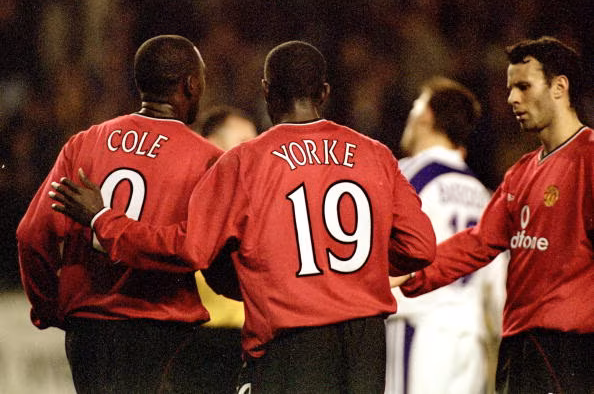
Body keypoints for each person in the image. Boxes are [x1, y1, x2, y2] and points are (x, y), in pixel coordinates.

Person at [49, 40, 437, 393]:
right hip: (367, 345)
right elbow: (420, 246)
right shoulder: (375, 154)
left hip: (291, 344)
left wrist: (104, 220)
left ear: (266, 90)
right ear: (324, 93)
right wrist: (357, 273)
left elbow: (190, 249)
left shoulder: (245, 162)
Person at [17, 34, 225, 393]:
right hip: (162, 328)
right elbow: (196, 248)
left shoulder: (86, 142)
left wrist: (50, 307)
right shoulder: (206, 159)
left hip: (89, 331)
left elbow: (32, 235)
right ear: (191, 84)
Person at [391, 36, 593, 394]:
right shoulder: (521, 173)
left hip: (568, 348)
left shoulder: (588, 161)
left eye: (524, 86)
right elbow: (479, 242)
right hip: (519, 347)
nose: (512, 98)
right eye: (510, 88)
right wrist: (410, 273)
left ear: (559, 87)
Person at [385, 77, 507, 394]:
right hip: (469, 339)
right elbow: (498, 280)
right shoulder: (483, 194)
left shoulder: (406, 176)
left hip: (419, 327)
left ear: (426, 114)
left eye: (415, 107)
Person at [172, 106, 258, 394]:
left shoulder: (257, 197)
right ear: (210, 144)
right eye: (243, 142)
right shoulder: (186, 197)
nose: (253, 151)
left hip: (248, 339)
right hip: (198, 340)